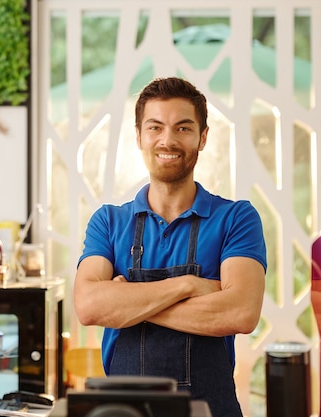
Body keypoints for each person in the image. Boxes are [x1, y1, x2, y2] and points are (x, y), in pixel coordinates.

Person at [74, 76, 267, 417]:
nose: (168, 140)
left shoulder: (236, 218)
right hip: (123, 413)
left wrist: (128, 304)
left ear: (202, 138)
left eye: (183, 128)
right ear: (138, 136)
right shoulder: (108, 221)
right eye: (155, 127)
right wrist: (188, 286)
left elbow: (241, 312)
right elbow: (89, 306)